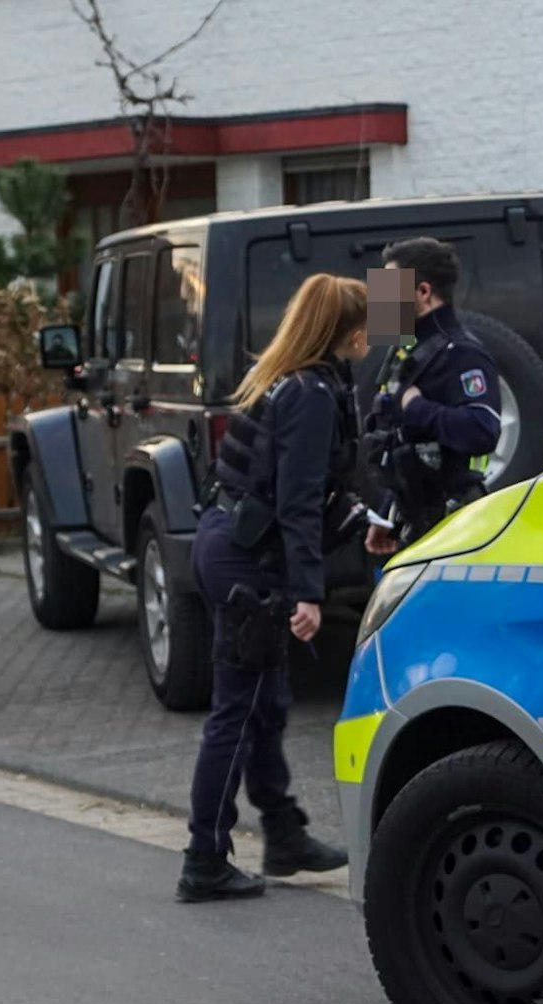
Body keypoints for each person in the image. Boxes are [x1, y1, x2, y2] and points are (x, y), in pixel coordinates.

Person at [178, 274, 371, 903]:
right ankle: (204, 859)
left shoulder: (283, 376)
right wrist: (310, 594)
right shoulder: (313, 393)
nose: (377, 335)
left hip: (225, 542)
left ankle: (284, 834)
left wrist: (360, 524)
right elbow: (297, 500)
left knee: (266, 701)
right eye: (368, 325)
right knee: (236, 711)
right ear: (348, 333)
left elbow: (285, 485)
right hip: (247, 563)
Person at [363, 237, 503, 552]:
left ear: (423, 292)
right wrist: (387, 515)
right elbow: (399, 445)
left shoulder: (461, 354)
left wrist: (417, 407)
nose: (382, 301)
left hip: (455, 525)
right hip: (414, 519)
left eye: (391, 288)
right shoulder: (408, 351)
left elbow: (482, 430)